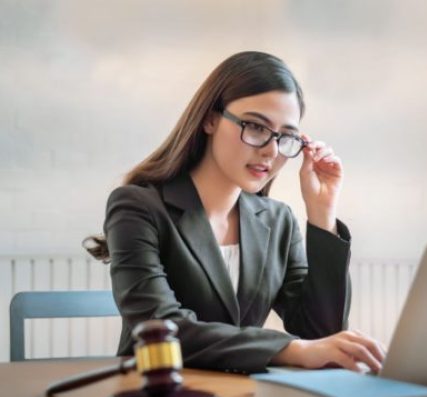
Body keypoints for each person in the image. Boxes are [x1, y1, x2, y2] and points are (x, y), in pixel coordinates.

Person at [85, 51, 384, 374]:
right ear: (210, 119)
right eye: (255, 126)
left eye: (286, 137)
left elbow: (320, 333)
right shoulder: (137, 206)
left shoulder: (277, 221)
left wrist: (322, 215)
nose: (270, 150)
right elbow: (161, 328)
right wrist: (289, 349)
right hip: (161, 389)